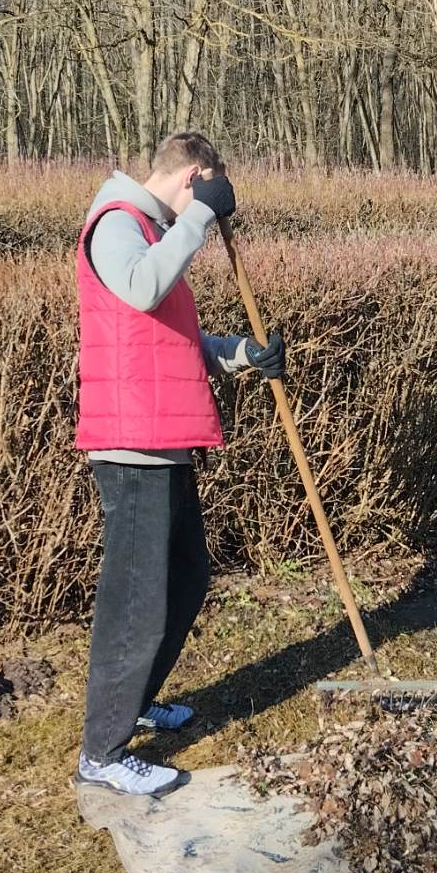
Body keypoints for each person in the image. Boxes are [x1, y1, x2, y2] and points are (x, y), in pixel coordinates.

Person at [73, 131, 285, 796]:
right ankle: (102, 753)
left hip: (163, 436)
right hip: (132, 441)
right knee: (136, 601)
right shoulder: (115, 222)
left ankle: (135, 700)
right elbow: (141, 289)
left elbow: (171, 338)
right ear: (194, 177)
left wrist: (243, 355)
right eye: (209, 189)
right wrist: (200, 218)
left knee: (186, 579)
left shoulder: (150, 232)